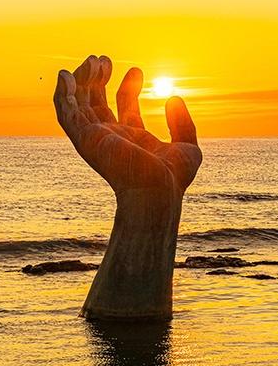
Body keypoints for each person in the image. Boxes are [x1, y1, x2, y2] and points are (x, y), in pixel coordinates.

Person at [53, 54, 202, 321]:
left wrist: (155, 191)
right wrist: (158, 194)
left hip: (116, 314)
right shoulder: (170, 174)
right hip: (146, 313)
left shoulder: (167, 175)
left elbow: (119, 318)